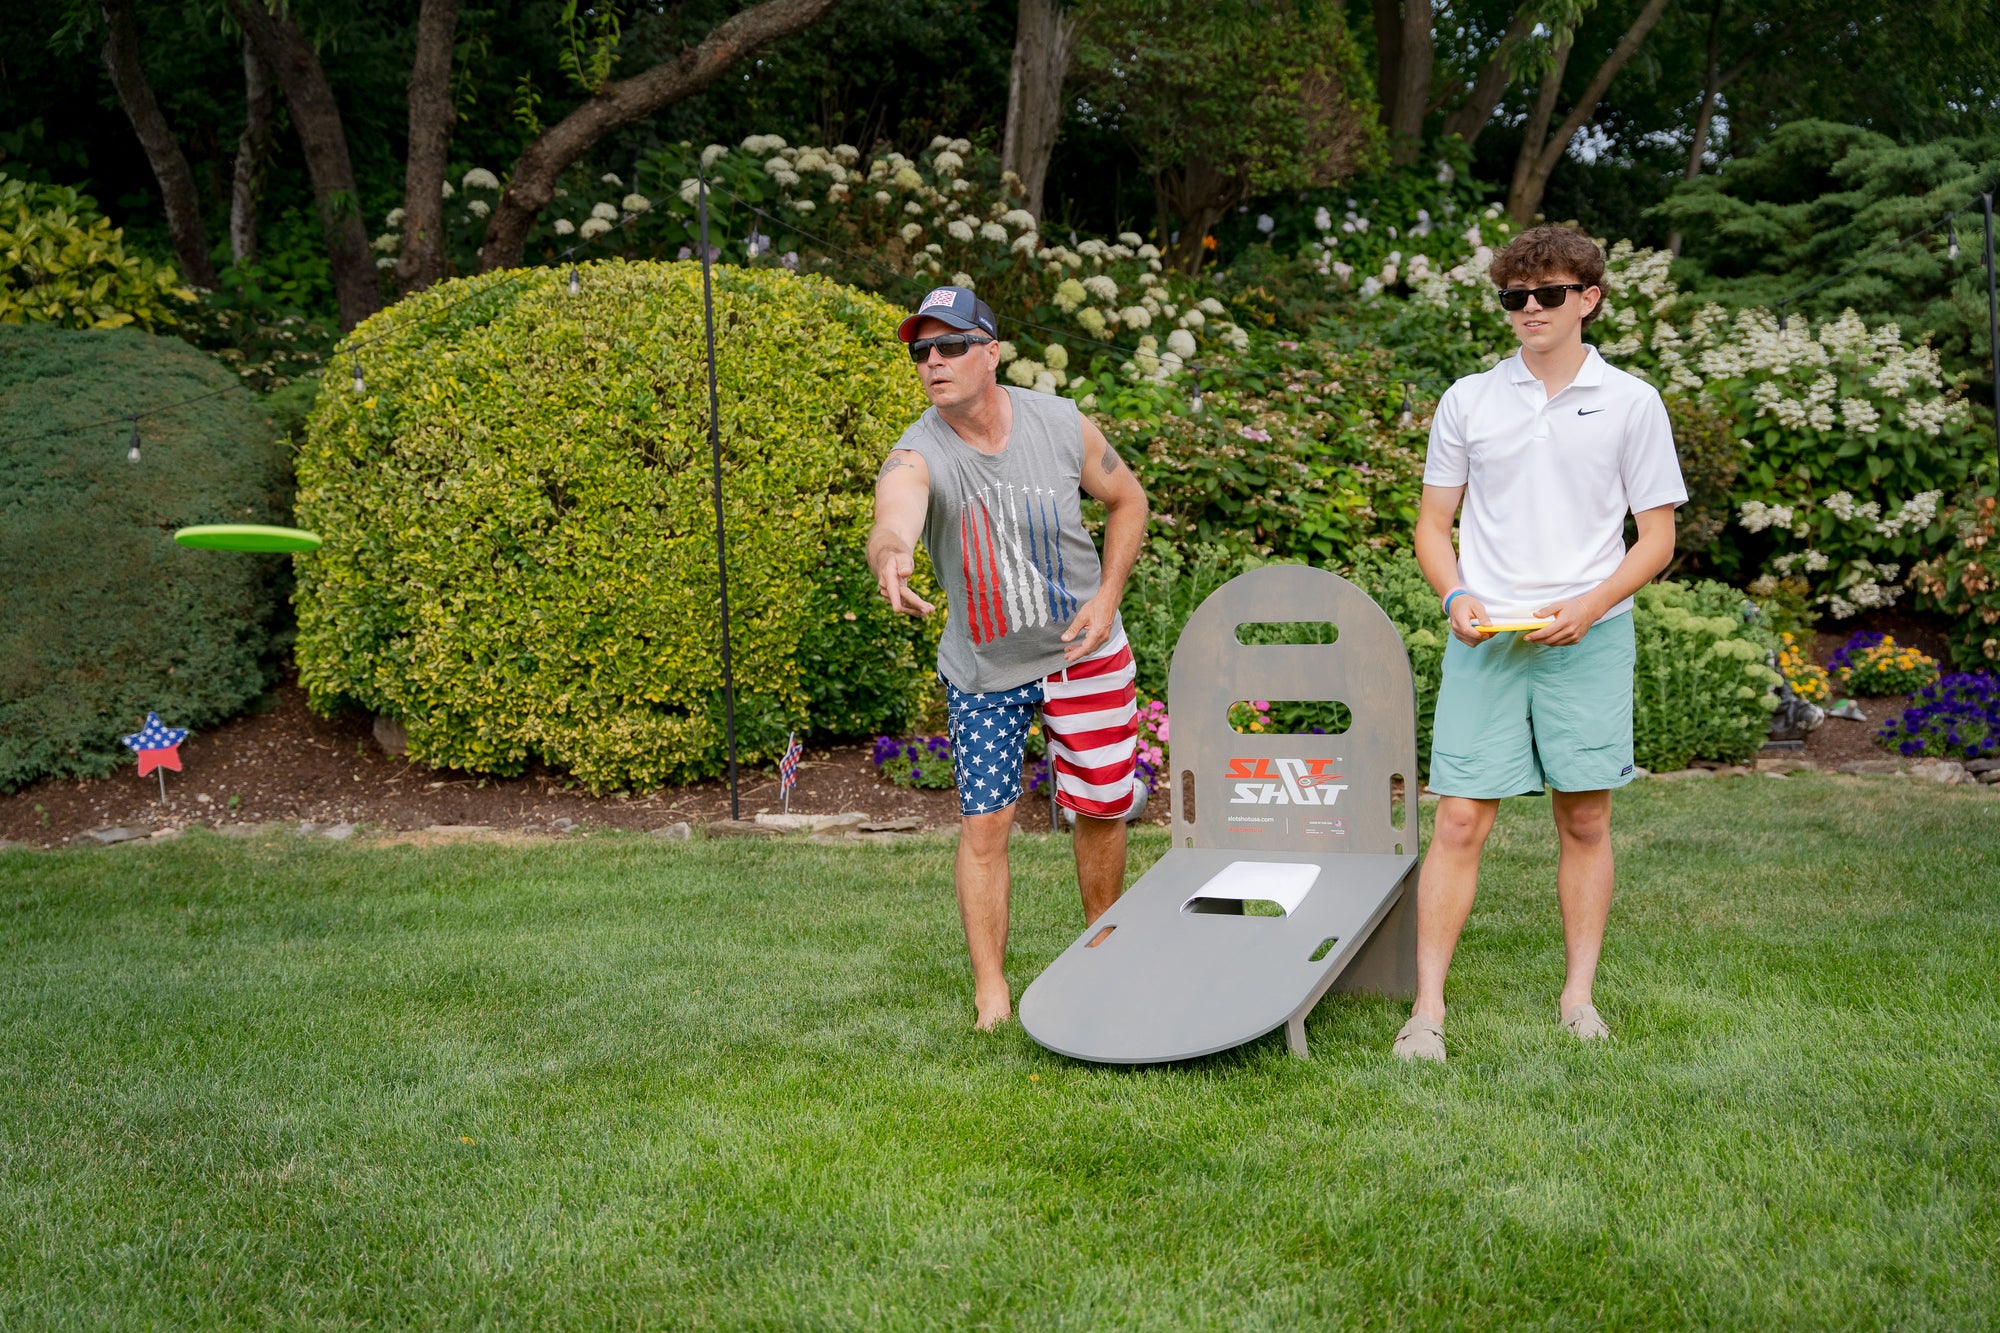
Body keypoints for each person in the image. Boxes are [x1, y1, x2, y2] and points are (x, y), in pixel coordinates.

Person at [1394, 226, 1687, 1063]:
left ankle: (1578, 998)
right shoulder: (1469, 399)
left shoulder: (1632, 401)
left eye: (1548, 294)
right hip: (1487, 635)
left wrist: (1590, 606)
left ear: (1588, 298)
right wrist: (1454, 593)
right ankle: (1427, 1011)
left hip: (1589, 636)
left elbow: (1656, 537)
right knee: (1456, 820)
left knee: (1586, 818)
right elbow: (1432, 523)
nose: (1528, 309)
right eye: (1514, 297)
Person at [868, 286, 1151, 1031]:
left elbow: (1129, 500)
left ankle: (1106, 953)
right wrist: (891, 553)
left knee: (1099, 809)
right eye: (920, 350)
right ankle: (992, 991)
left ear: (991, 351)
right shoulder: (917, 449)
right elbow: (897, 505)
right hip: (986, 672)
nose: (933, 361)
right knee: (985, 826)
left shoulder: (1058, 423)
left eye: (951, 345)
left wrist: (1108, 595)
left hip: (1084, 653)